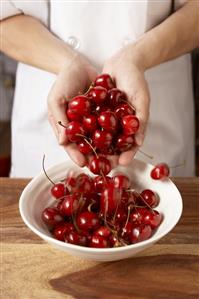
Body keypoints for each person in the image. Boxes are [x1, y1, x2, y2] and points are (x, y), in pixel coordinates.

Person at [1, 0, 199, 177]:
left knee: (166, 207)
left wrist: (138, 57)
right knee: (45, 205)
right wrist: (66, 63)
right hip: (47, 117)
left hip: (159, 118)